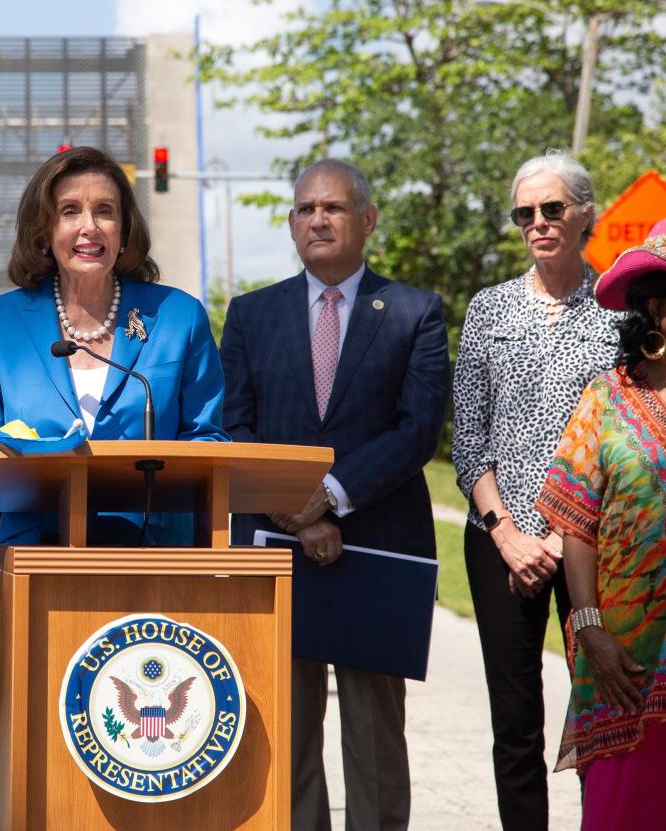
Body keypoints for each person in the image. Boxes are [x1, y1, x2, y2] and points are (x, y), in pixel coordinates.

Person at [220, 158, 449, 831]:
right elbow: (234, 427)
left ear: (367, 220)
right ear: (291, 223)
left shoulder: (414, 311)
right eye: (304, 209)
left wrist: (326, 496)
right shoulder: (249, 314)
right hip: (275, 546)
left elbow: (416, 430)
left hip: (378, 551)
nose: (317, 219)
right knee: (284, 733)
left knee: (374, 742)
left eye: (333, 208)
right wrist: (293, 510)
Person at [0, 145, 226, 591]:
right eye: (69, 211)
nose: (89, 226)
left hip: (160, 558)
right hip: (37, 560)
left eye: (105, 210)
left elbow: (207, 439)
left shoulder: (179, 317)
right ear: (44, 232)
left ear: (124, 230)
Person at [451, 152, 619, 830]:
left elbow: (626, 432)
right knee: (514, 721)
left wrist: (563, 532)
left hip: (592, 544)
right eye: (525, 213)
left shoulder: (618, 311)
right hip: (500, 543)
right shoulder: (486, 308)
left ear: (585, 214)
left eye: (552, 209)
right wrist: (508, 533)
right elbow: (468, 439)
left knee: (601, 712)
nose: (537, 223)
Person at [535, 223, 666, 831]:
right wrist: (589, 629)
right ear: (652, 307)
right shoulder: (605, 399)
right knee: (625, 809)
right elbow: (578, 525)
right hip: (625, 658)